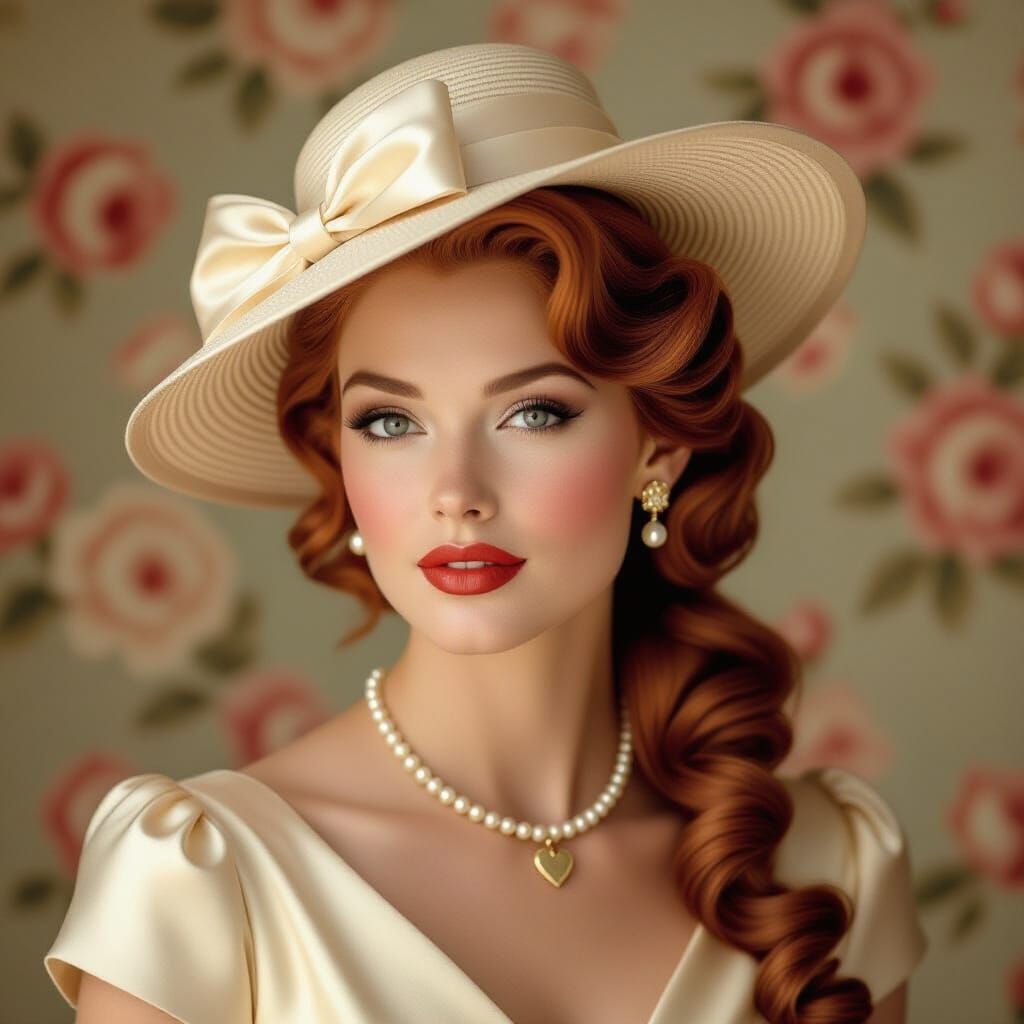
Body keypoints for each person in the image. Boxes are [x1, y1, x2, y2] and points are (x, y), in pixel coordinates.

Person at [42, 41, 927, 1024]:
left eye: (535, 413)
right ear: (337, 458)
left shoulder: (824, 865)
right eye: (390, 422)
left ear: (658, 450)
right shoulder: (199, 878)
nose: (454, 491)